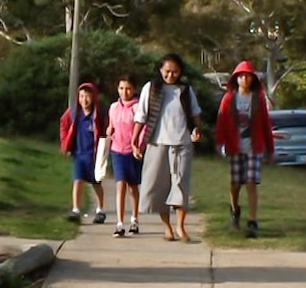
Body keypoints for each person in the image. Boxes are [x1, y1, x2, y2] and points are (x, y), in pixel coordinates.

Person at [131, 53, 202, 242]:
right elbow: (141, 116)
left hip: (182, 143)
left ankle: (180, 227)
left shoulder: (185, 90)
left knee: (180, 186)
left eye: (175, 72)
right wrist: (135, 139)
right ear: (161, 70)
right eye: (167, 71)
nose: (171, 75)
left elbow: (195, 114)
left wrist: (196, 129)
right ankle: (167, 228)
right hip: (157, 142)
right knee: (159, 187)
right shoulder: (151, 88)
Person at [214, 60, 274, 238]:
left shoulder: (258, 100)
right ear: (236, 79)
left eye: (248, 76)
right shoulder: (229, 99)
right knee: (235, 183)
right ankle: (234, 210)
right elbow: (222, 122)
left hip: (253, 148)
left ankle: (252, 220)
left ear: (253, 79)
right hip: (235, 147)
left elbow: (265, 125)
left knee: (251, 182)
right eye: (241, 76)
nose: (244, 79)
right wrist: (219, 143)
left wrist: (270, 149)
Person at [60, 82, 107, 224]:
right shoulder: (74, 113)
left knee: (96, 182)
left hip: (93, 155)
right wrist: (66, 144)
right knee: (78, 180)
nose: (84, 100)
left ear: (93, 98)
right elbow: (63, 124)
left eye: (87, 96)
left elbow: (106, 130)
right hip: (78, 154)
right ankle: (76, 210)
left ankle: (101, 209)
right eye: (81, 96)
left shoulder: (98, 114)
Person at [106, 75, 142, 237]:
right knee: (120, 185)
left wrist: (139, 147)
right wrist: (109, 131)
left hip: (132, 151)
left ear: (134, 89)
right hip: (117, 150)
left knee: (133, 187)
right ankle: (119, 223)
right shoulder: (113, 107)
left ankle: (134, 220)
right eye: (121, 88)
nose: (124, 92)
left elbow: (142, 129)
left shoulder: (138, 108)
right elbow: (111, 126)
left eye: (128, 88)